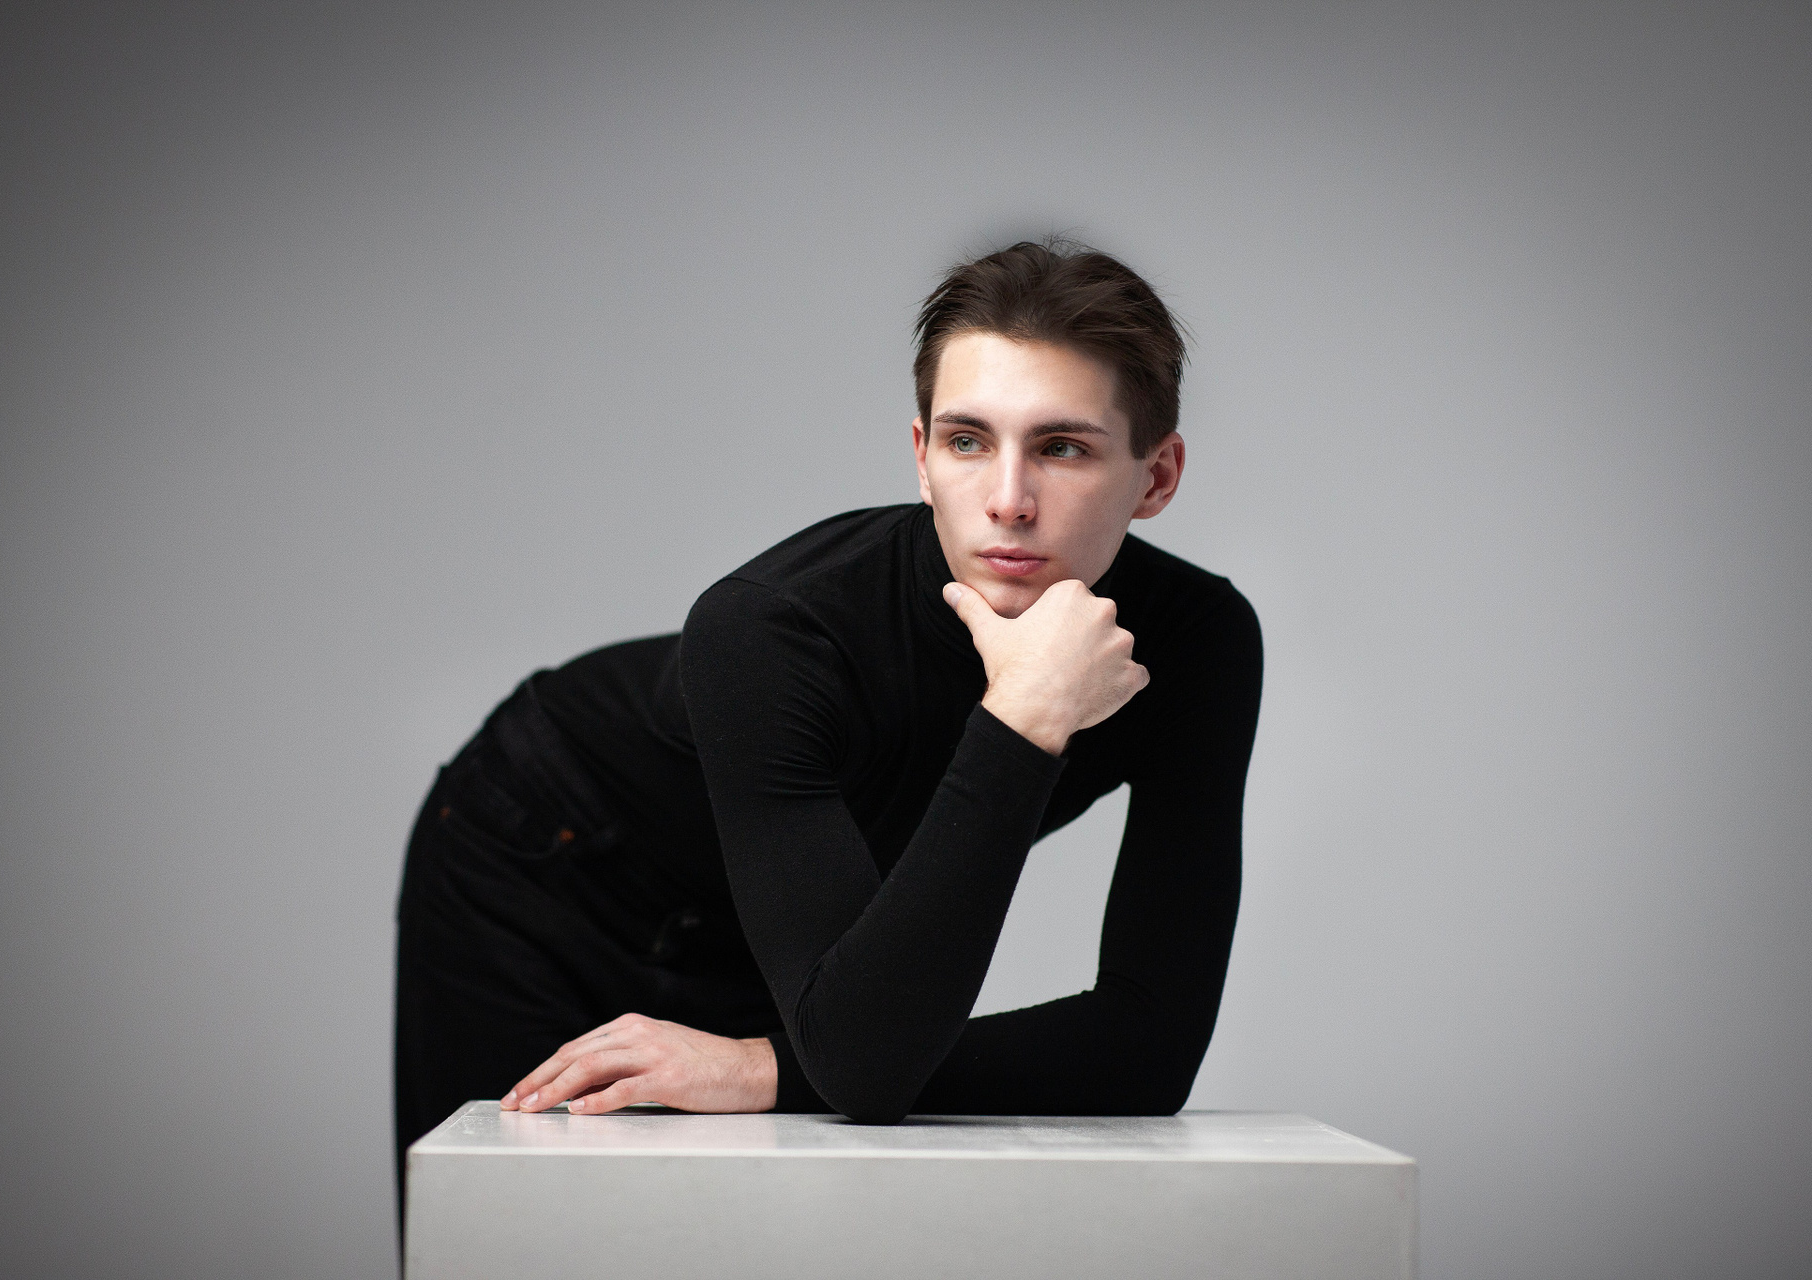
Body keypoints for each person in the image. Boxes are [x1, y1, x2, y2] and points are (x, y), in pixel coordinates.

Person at [393, 239, 1263, 1174]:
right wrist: (1026, 714)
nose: (1009, 501)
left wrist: (766, 1067)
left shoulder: (1196, 641)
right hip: (547, 863)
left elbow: (1148, 1044)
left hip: (805, 928)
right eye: (968, 442)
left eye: (1062, 448)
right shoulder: (771, 627)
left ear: (1157, 476)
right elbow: (861, 1060)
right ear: (922, 458)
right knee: (503, 1221)